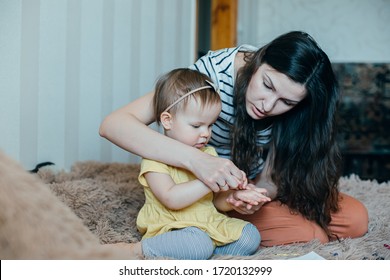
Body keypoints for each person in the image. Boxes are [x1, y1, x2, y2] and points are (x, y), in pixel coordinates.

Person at [100, 31, 368, 247]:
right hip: (207, 190)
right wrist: (200, 163)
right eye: (267, 85)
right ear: (259, 60)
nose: (268, 104)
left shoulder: (298, 109)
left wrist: (252, 196)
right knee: (310, 235)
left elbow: (270, 181)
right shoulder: (212, 75)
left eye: (285, 101)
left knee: (356, 220)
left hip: (241, 189)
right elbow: (113, 125)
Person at [108, 68, 270, 259]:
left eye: (210, 125)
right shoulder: (154, 156)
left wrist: (234, 198)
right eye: (196, 126)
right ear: (167, 121)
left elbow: (216, 201)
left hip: (207, 223)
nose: (206, 133)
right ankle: (135, 250)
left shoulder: (208, 153)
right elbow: (171, 199)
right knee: (197, 243)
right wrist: (208, 179)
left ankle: (203, 254)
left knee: (249, 236)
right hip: (174, 227)